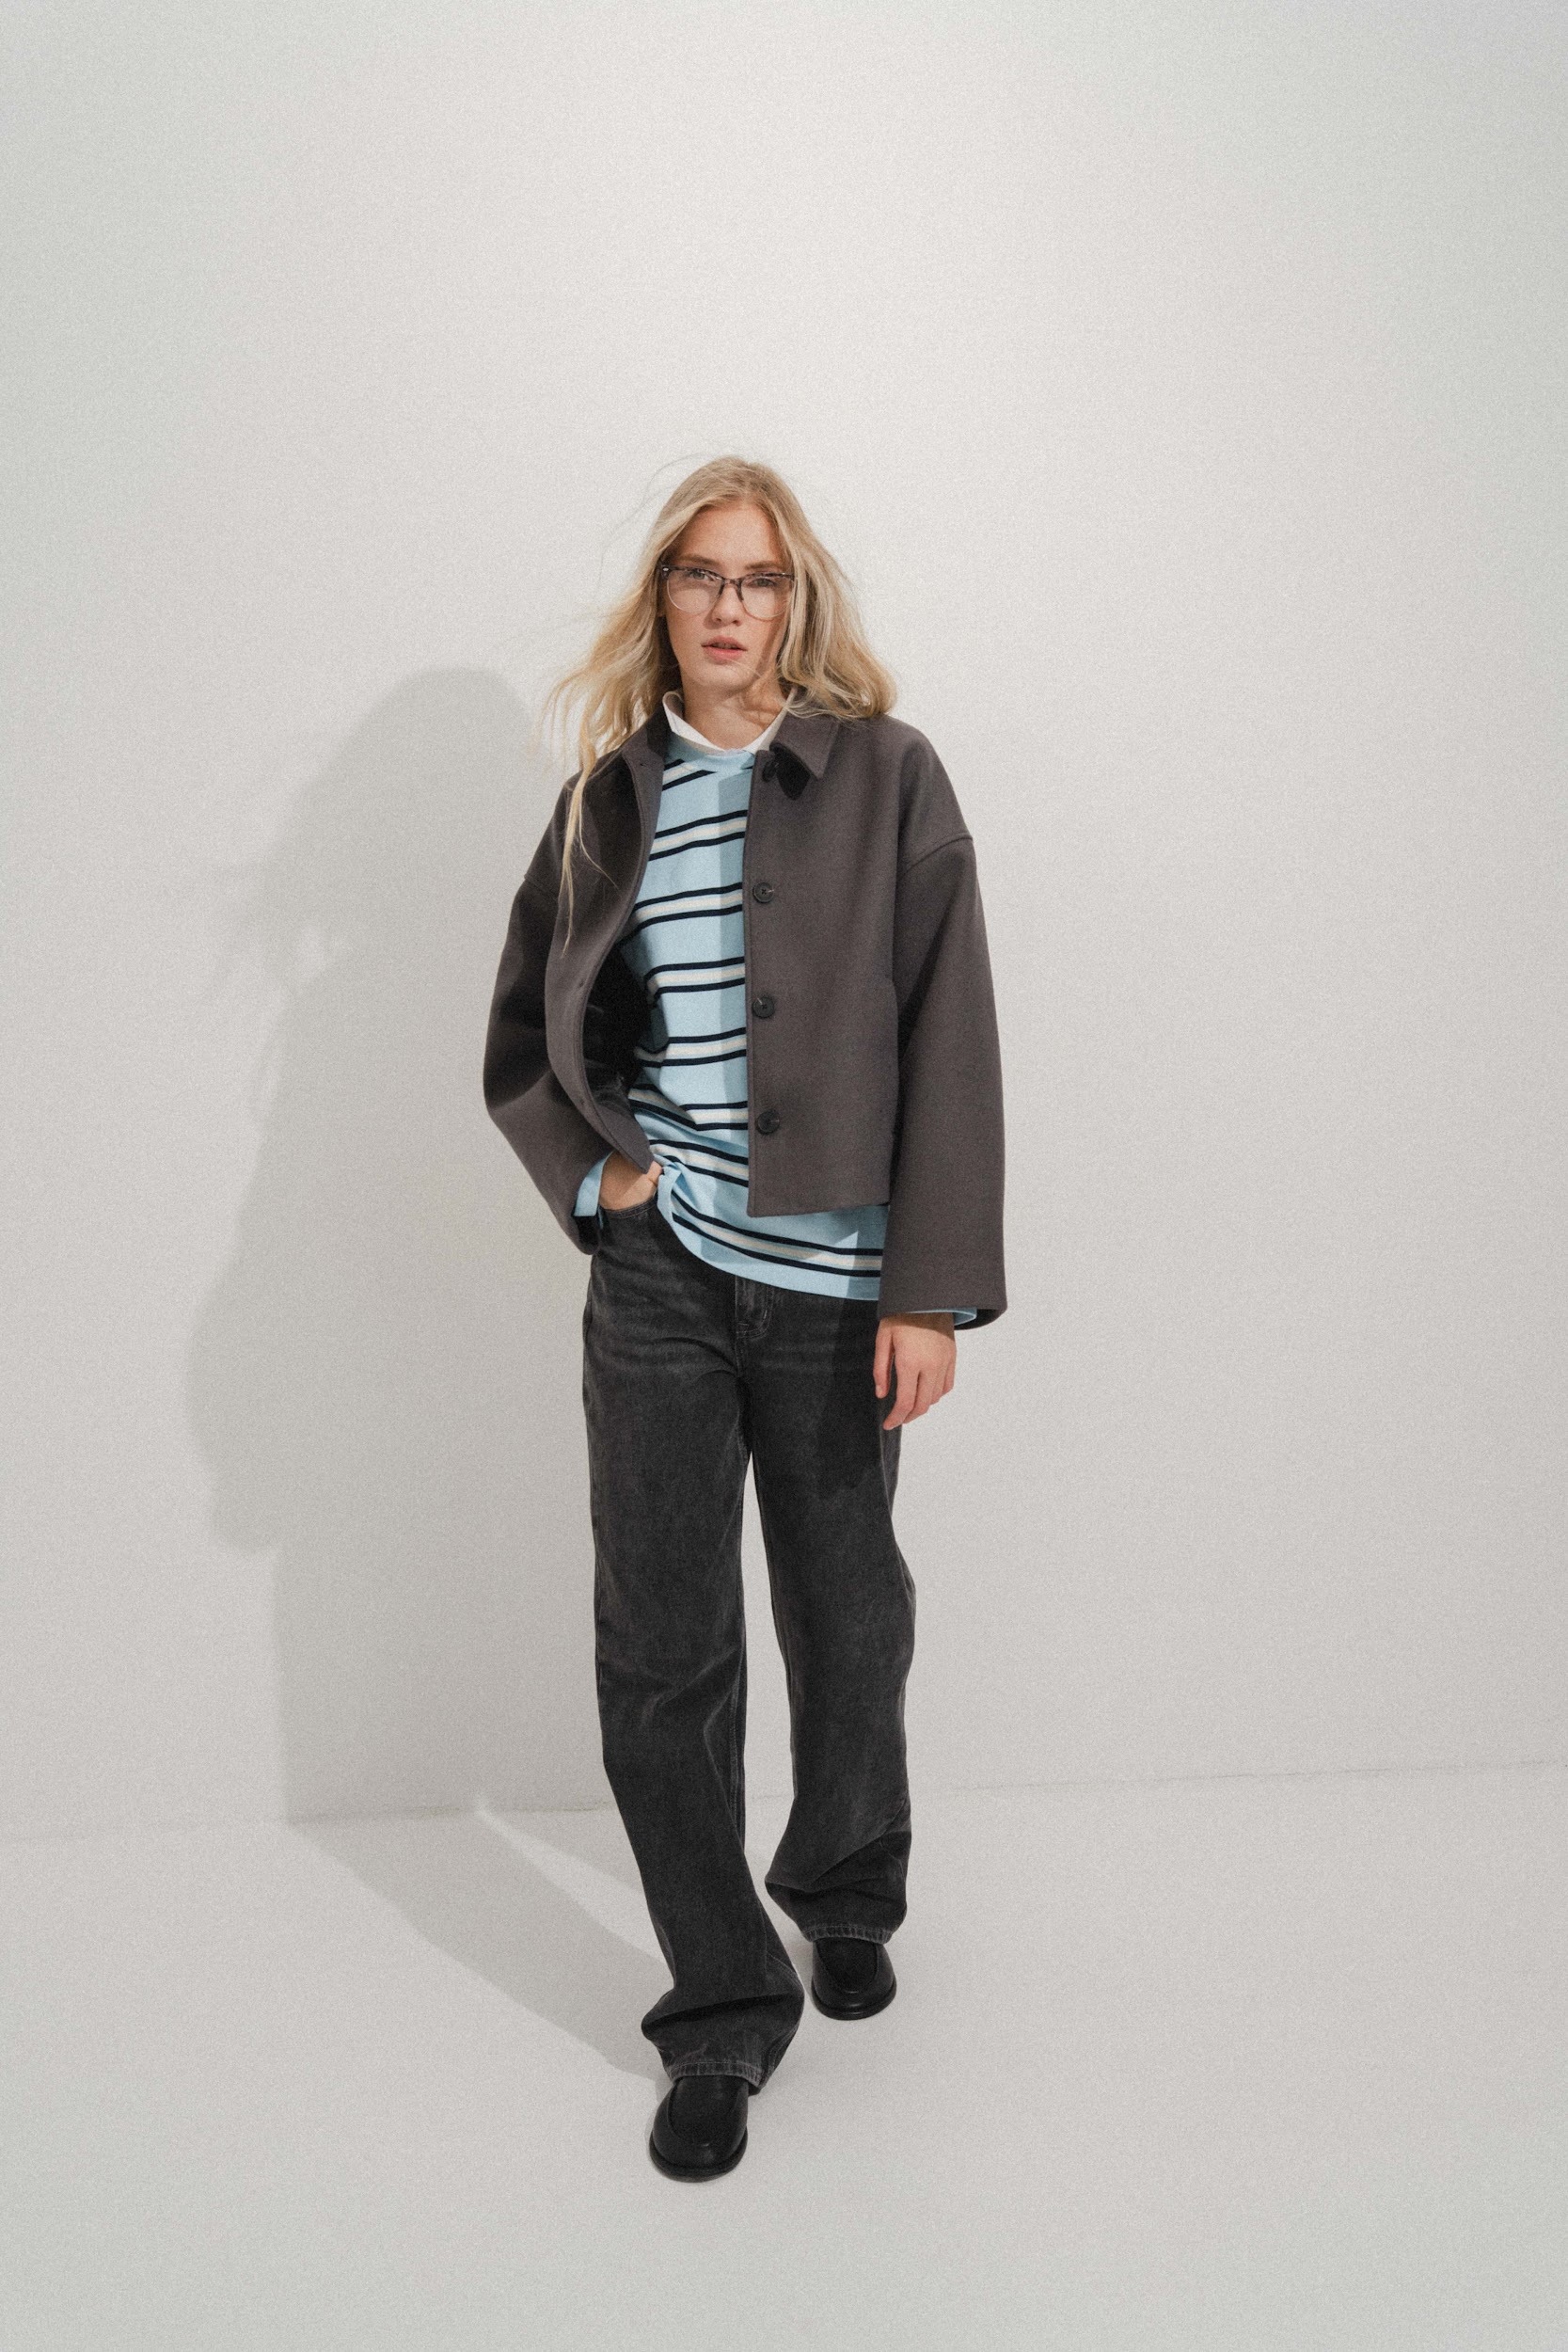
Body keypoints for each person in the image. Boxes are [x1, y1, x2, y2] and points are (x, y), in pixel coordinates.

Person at [483, 456, 1006, 2180]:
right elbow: (527, 1033)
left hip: (838, 1282)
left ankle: (844, 1886)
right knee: (664, 1649)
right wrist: (599, 1177)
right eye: (701, 576)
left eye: (760, 579)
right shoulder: (606, 801)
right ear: (663, 600)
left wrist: (928, 1287)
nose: (730, 607)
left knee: (849, 1613)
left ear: (798, 601)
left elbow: (951, 1032)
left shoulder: (889, 777)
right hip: (660, 1277)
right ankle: (718, 2006)